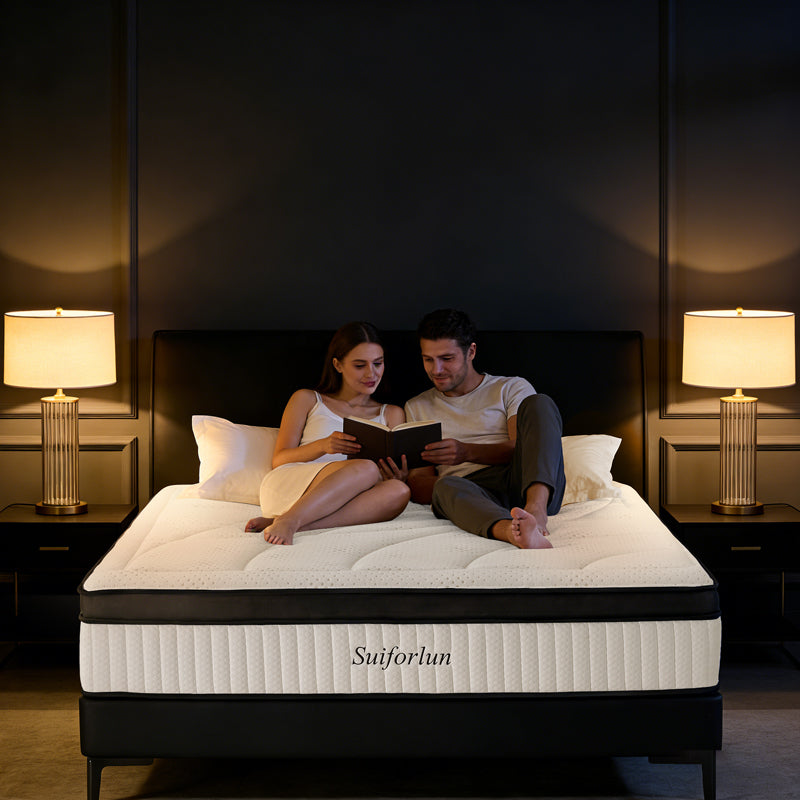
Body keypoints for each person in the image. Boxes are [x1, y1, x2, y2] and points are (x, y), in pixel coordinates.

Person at [404, 309, 565, 550]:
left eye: (447, 359)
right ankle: (513, 532)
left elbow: (522, 448)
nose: (436, 370)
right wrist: (404, 481)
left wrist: (466, 452)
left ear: (471, 351)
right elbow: (422, 484)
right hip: (469, 492)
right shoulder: (417, 407)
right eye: (428, 359)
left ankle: (536, 511)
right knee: (446, 485)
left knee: (540, 403)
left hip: (523, 480)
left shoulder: (511, 388)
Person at [245, 322, 410, 545]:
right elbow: (279, 460)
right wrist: (323, 446)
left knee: (399, 490)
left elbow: (387, 474)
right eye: (360, 365)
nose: (372, 373)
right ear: (338, 365)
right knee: (365, 467)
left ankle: (290, 522)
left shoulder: (391, 413)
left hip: (348, 496)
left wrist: (396, 474)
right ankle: (292, 517)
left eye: (378, 363)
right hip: (292, 485)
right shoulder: (308, 399)